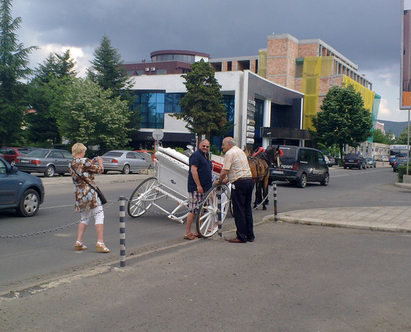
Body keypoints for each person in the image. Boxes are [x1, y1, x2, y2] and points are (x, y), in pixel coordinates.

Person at [69, 143, 110, 253]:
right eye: (84, 151)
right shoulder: (85, 161)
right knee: (99, 215)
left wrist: (90, 164)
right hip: (90, 193)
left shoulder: (71, 164)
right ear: (81, 151)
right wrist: (100, 163)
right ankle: (100, 243)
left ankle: (79, 241)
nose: (85, 153)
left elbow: (82, 170)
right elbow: (99, 170)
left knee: (84, 217)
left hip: (79, 193)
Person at [217, 137, 254, 243]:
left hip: (239, 183)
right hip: (248, 180)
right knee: (247, 209)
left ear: (229, 144)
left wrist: (219, 181)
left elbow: (224, 171)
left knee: (239, 210)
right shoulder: (240, 151)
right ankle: (250, 235)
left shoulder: (229, 153)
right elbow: (238, 169)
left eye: (223, 144)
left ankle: (241, 236)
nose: (222, 146)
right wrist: (227, 179)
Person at [184, 139, 213, 240]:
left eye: (207, 146)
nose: (205, 148)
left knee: (201, 210)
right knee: (193, 209)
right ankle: (188, 232)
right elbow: (193, 170)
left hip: (205, 188)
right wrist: (198, 185)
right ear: (199, 146)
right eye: (203, 146)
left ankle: (197, 231)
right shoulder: (196, 156)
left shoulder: (206, 157)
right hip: (196, 188)